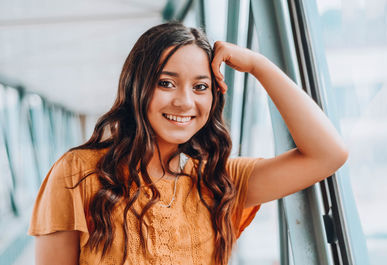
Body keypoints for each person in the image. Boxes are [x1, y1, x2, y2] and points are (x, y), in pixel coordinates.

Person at [28, 22, 348, 265]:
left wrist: (257, 65)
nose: (184, 102)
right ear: (137, 86)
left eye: (200, 86)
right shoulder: (78, 173)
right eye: (166, 83)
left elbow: (327, 154)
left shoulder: (218, 181)